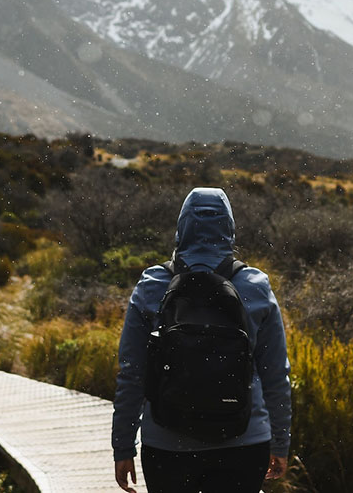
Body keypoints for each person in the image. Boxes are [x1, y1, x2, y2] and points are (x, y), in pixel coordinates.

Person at [112, 187, 292, 493]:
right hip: (244, 442)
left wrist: (123, 446)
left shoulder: (152, 284)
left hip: (167, 446)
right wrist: (280, 442)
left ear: (182, 227)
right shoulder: (255, 285)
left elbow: (132, 373)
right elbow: (276, 374)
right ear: (229, 228)